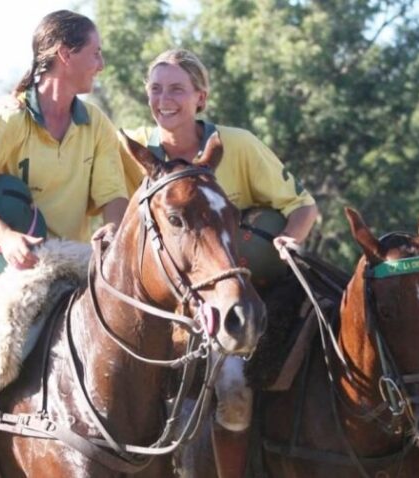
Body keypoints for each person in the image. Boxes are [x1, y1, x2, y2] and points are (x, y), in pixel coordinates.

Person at [0, 10, 128, 476]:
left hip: (73, 261)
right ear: (65, 55)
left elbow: (114, 196)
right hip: (1, 262)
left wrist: (114, 232)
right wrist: (4, 235)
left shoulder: (94, 123)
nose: (100, 64)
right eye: (94, 54)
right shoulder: (11, 117)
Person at [120, 49, 318, 478]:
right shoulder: (129, 148)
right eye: (156, 88)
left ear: (200, 98)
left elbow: (303, 206)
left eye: (177, 88)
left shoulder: (238, 145)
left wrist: (288, 239)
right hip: (151, 310)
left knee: (232, 390)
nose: (164, 99)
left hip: (224, 299)